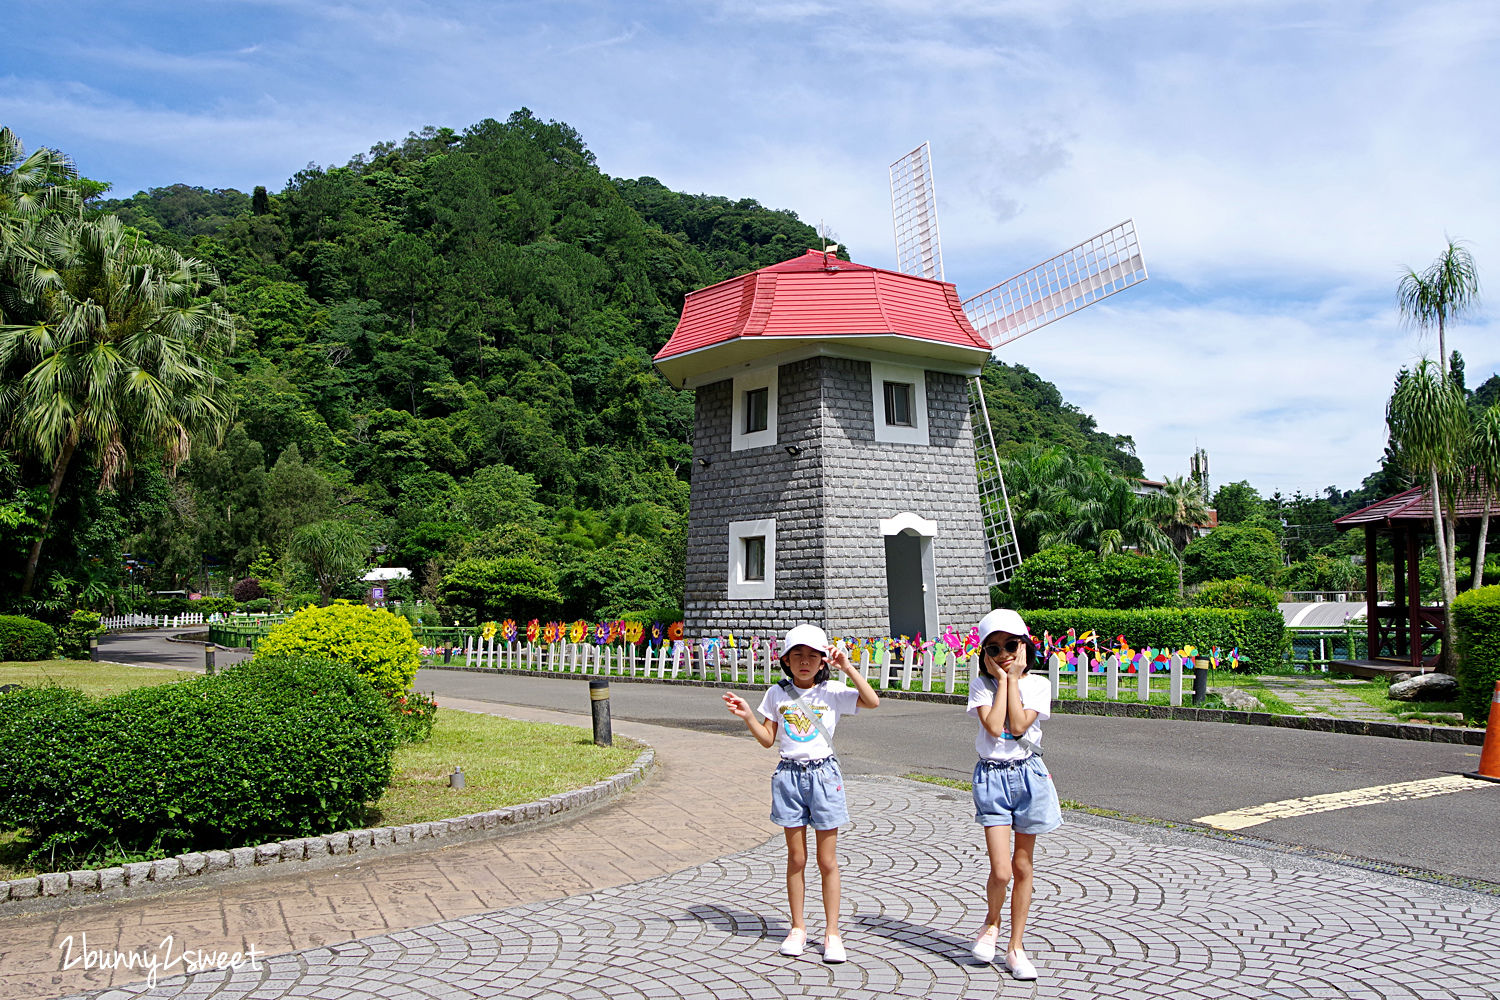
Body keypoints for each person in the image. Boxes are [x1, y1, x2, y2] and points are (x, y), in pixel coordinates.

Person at [722, 624, 880, 964]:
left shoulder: (833, 691)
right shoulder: (777, 694)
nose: (805, 662)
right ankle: (797, 928)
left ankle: (832, 933)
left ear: (823, 660)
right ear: (786, 661)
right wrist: (748, 715)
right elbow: (768, 739)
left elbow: (872, 701)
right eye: (798, 655)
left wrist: (848, 667)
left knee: (827, 860)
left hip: (824, 775)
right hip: (789, 776)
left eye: (812, 655)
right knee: (796, 858)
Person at [965, 608, 1062, 981]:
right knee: (1001, 870)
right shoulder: (981, 687)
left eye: (1011, 645)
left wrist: (1013, 679)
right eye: (993, 649)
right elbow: (993, 727)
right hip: (991, 777)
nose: (1003, 653)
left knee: (1022, 867)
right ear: (984, 655)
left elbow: (1020, 724)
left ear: (1025, 646)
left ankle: (1015, 946)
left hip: (1028, 776)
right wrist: (1005, 681)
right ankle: (991, 923)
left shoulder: (1038, 685)